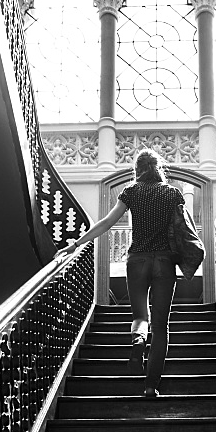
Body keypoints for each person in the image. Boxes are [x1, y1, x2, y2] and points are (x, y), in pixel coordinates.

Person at [53, 148, 184, 398]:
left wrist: (75, 244)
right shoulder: (172, 194)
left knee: (140, 317)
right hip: (165, 262)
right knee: (160, 325)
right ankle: (150, 386)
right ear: (159, 168)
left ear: (137, 169)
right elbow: (183, 229)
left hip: (137, 260)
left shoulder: (130, 192)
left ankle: (137, 342)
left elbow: (106, 223)